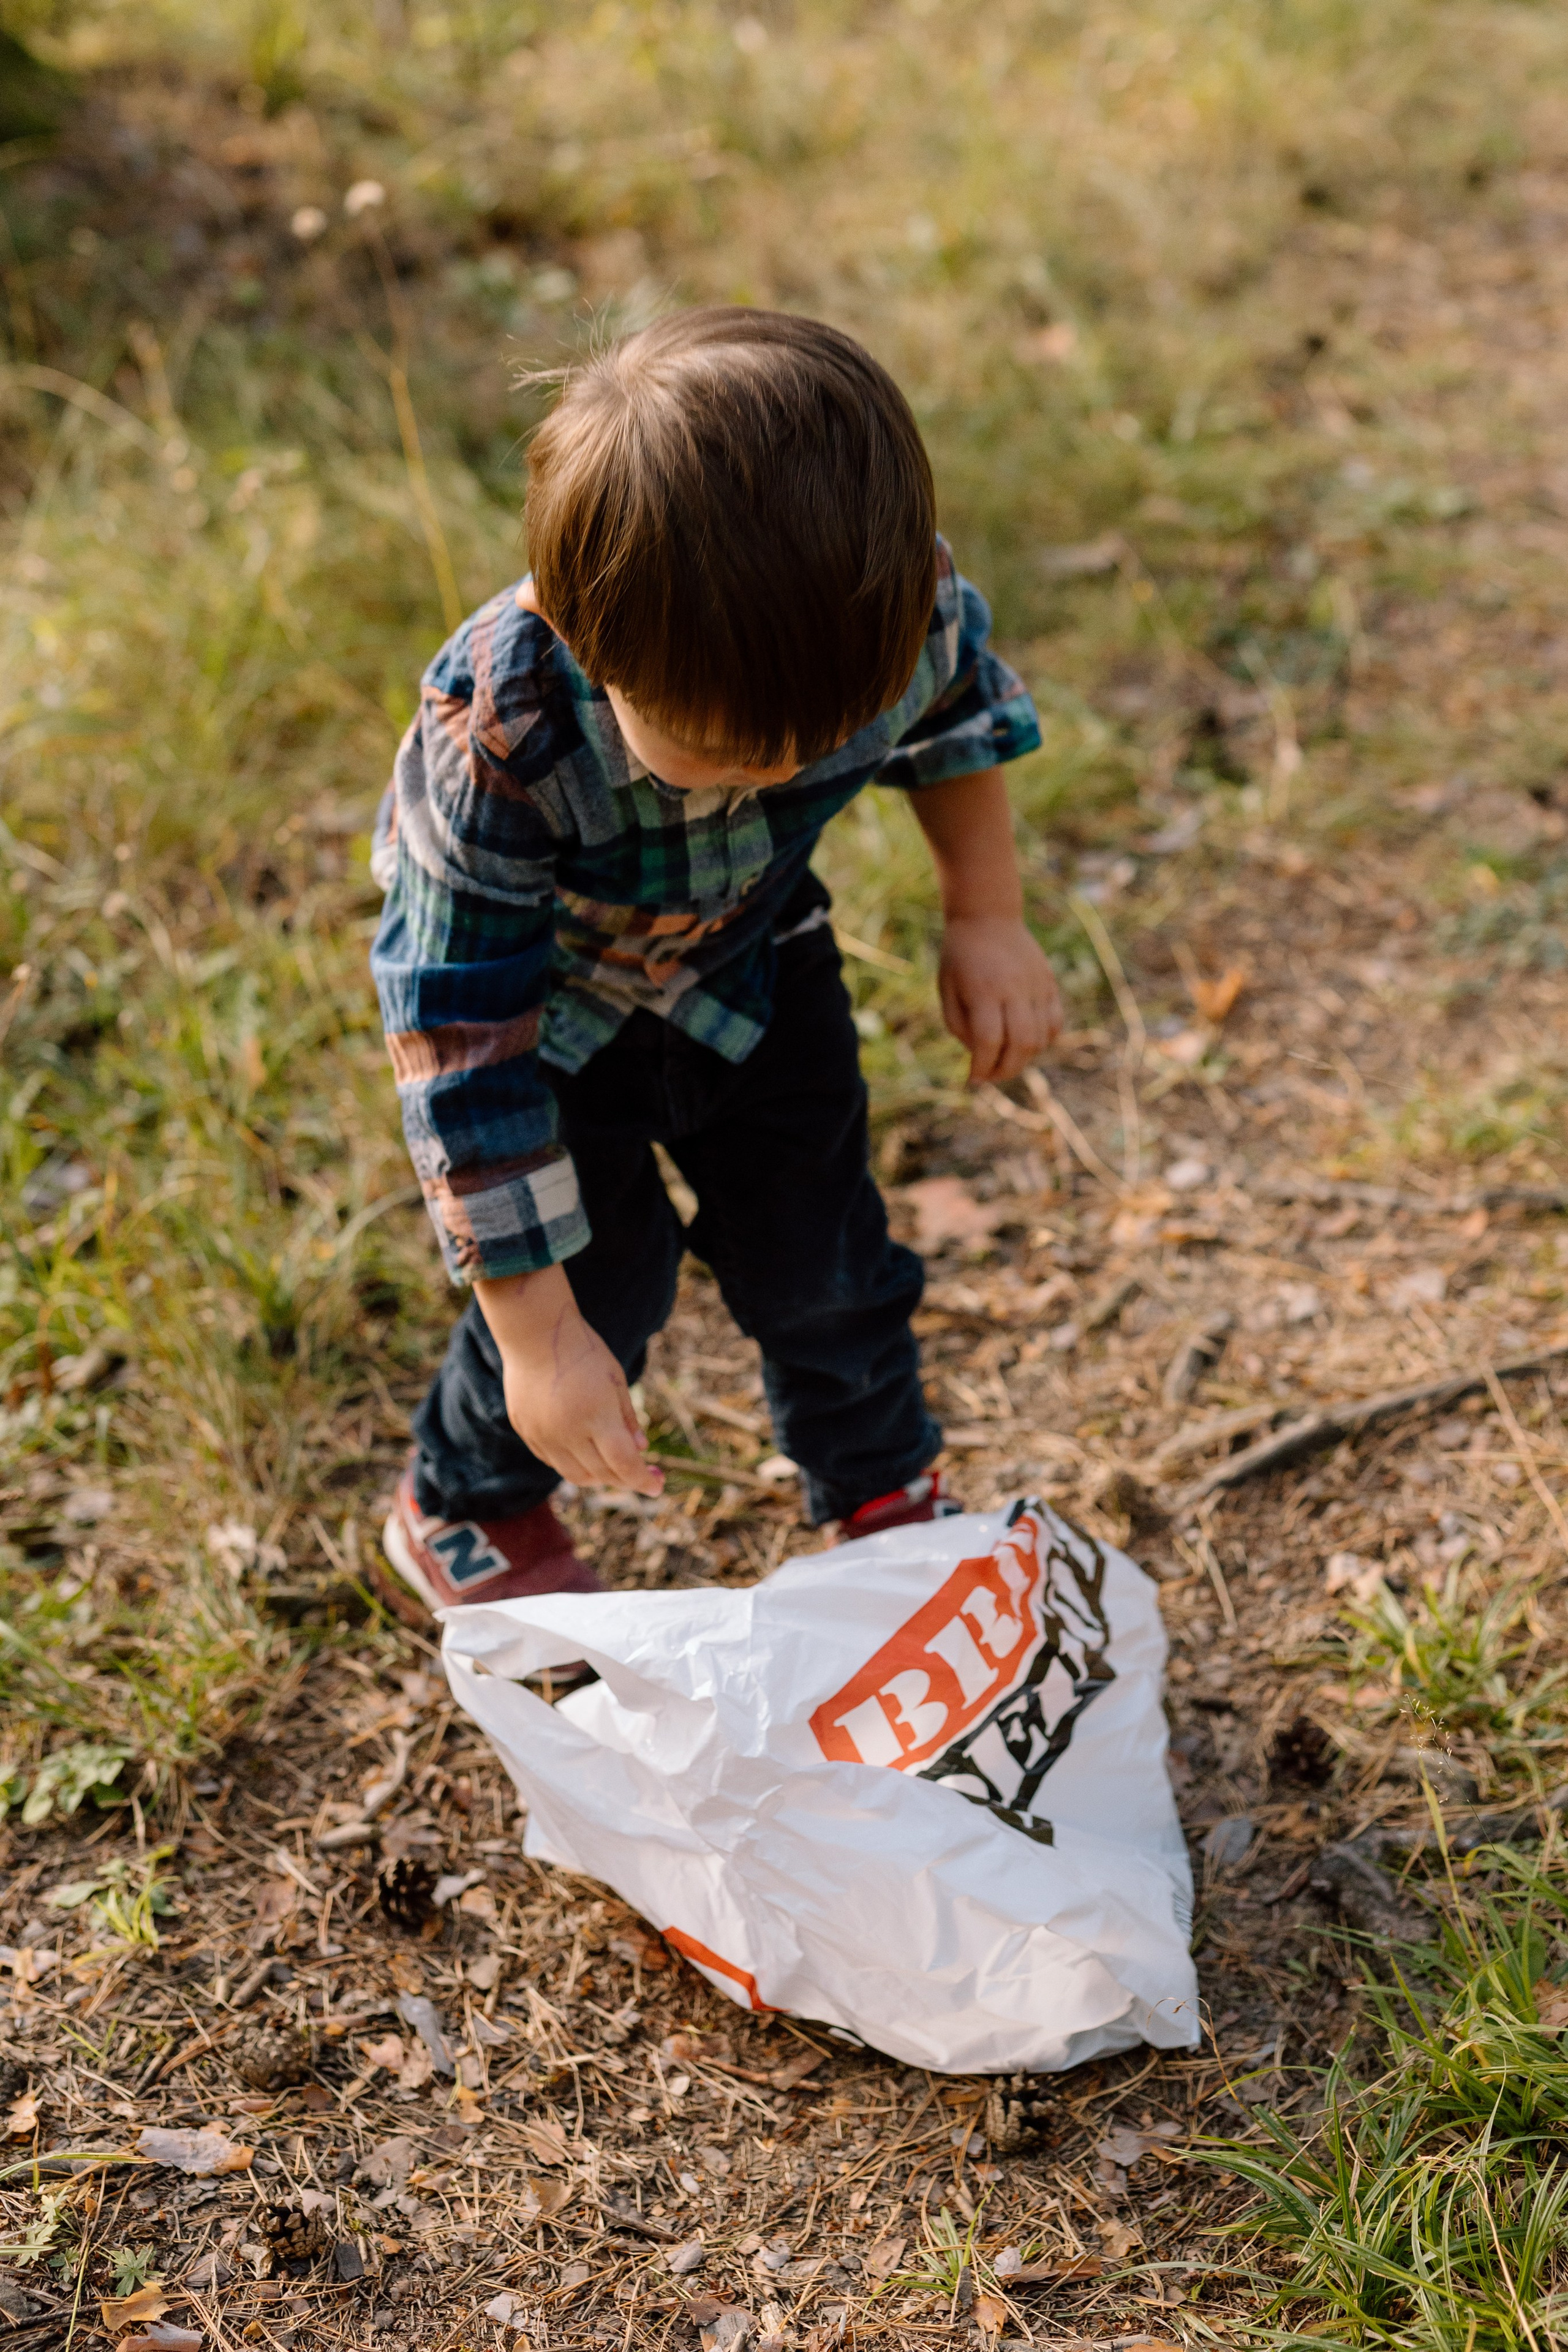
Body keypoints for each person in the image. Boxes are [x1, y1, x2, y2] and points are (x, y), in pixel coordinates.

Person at [370, 305, 1062, 1619]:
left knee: (824, 1252)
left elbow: (956, 713)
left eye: (820, 738)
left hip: (757, 967)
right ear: (582, 633)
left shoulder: (892, 613)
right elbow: (456, 1036)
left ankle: (881, 1495)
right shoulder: (499, 738)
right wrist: (537, 1336)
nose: (781, 769)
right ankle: (463, 1500)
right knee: (601, 1287)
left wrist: (985, 913)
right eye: (726, 749)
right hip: (549, 1029)